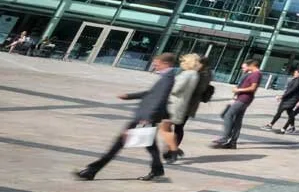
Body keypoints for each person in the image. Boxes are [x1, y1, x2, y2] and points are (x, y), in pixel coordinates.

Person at [75, 53, 178, 182]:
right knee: (150, 144)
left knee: (119, 143)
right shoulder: (166, 77)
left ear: (166, 63)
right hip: (147, 116)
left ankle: (92, 171)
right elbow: (151, 93)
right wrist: (129, 96)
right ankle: (157, 169)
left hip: (145, 117)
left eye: (157, 63)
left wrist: (147, 118)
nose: (154, 65)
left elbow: (160, 98)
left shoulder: (168, 78)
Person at [160, 53, 210, 162]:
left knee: (178, 126)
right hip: (181, 102)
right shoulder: (190, 71)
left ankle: (172, 150)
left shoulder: (204, 74)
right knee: (168, 125)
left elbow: (199, 89)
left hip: (188, 104)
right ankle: (173, 148)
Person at [212, 59, 260, 149]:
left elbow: (253, 88)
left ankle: (224, 138)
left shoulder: (256, 74)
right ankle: (233, 142)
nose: (245, 68)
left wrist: (238, 90)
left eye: (246, 66)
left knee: (228, 115)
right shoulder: (253, 74)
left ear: (252, 65)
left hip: (243, 99)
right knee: (237, 120)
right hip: (243, 98)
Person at [265, 67, 299, 132]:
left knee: (280, 111)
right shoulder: (296, 79)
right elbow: (289, 89)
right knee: (289, 113)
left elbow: (292, 90)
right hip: (288, 98)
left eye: (295, 73)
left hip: (291, 99)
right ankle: (292, 127)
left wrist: (282, 96)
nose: (294, 74)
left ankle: (271, 124)